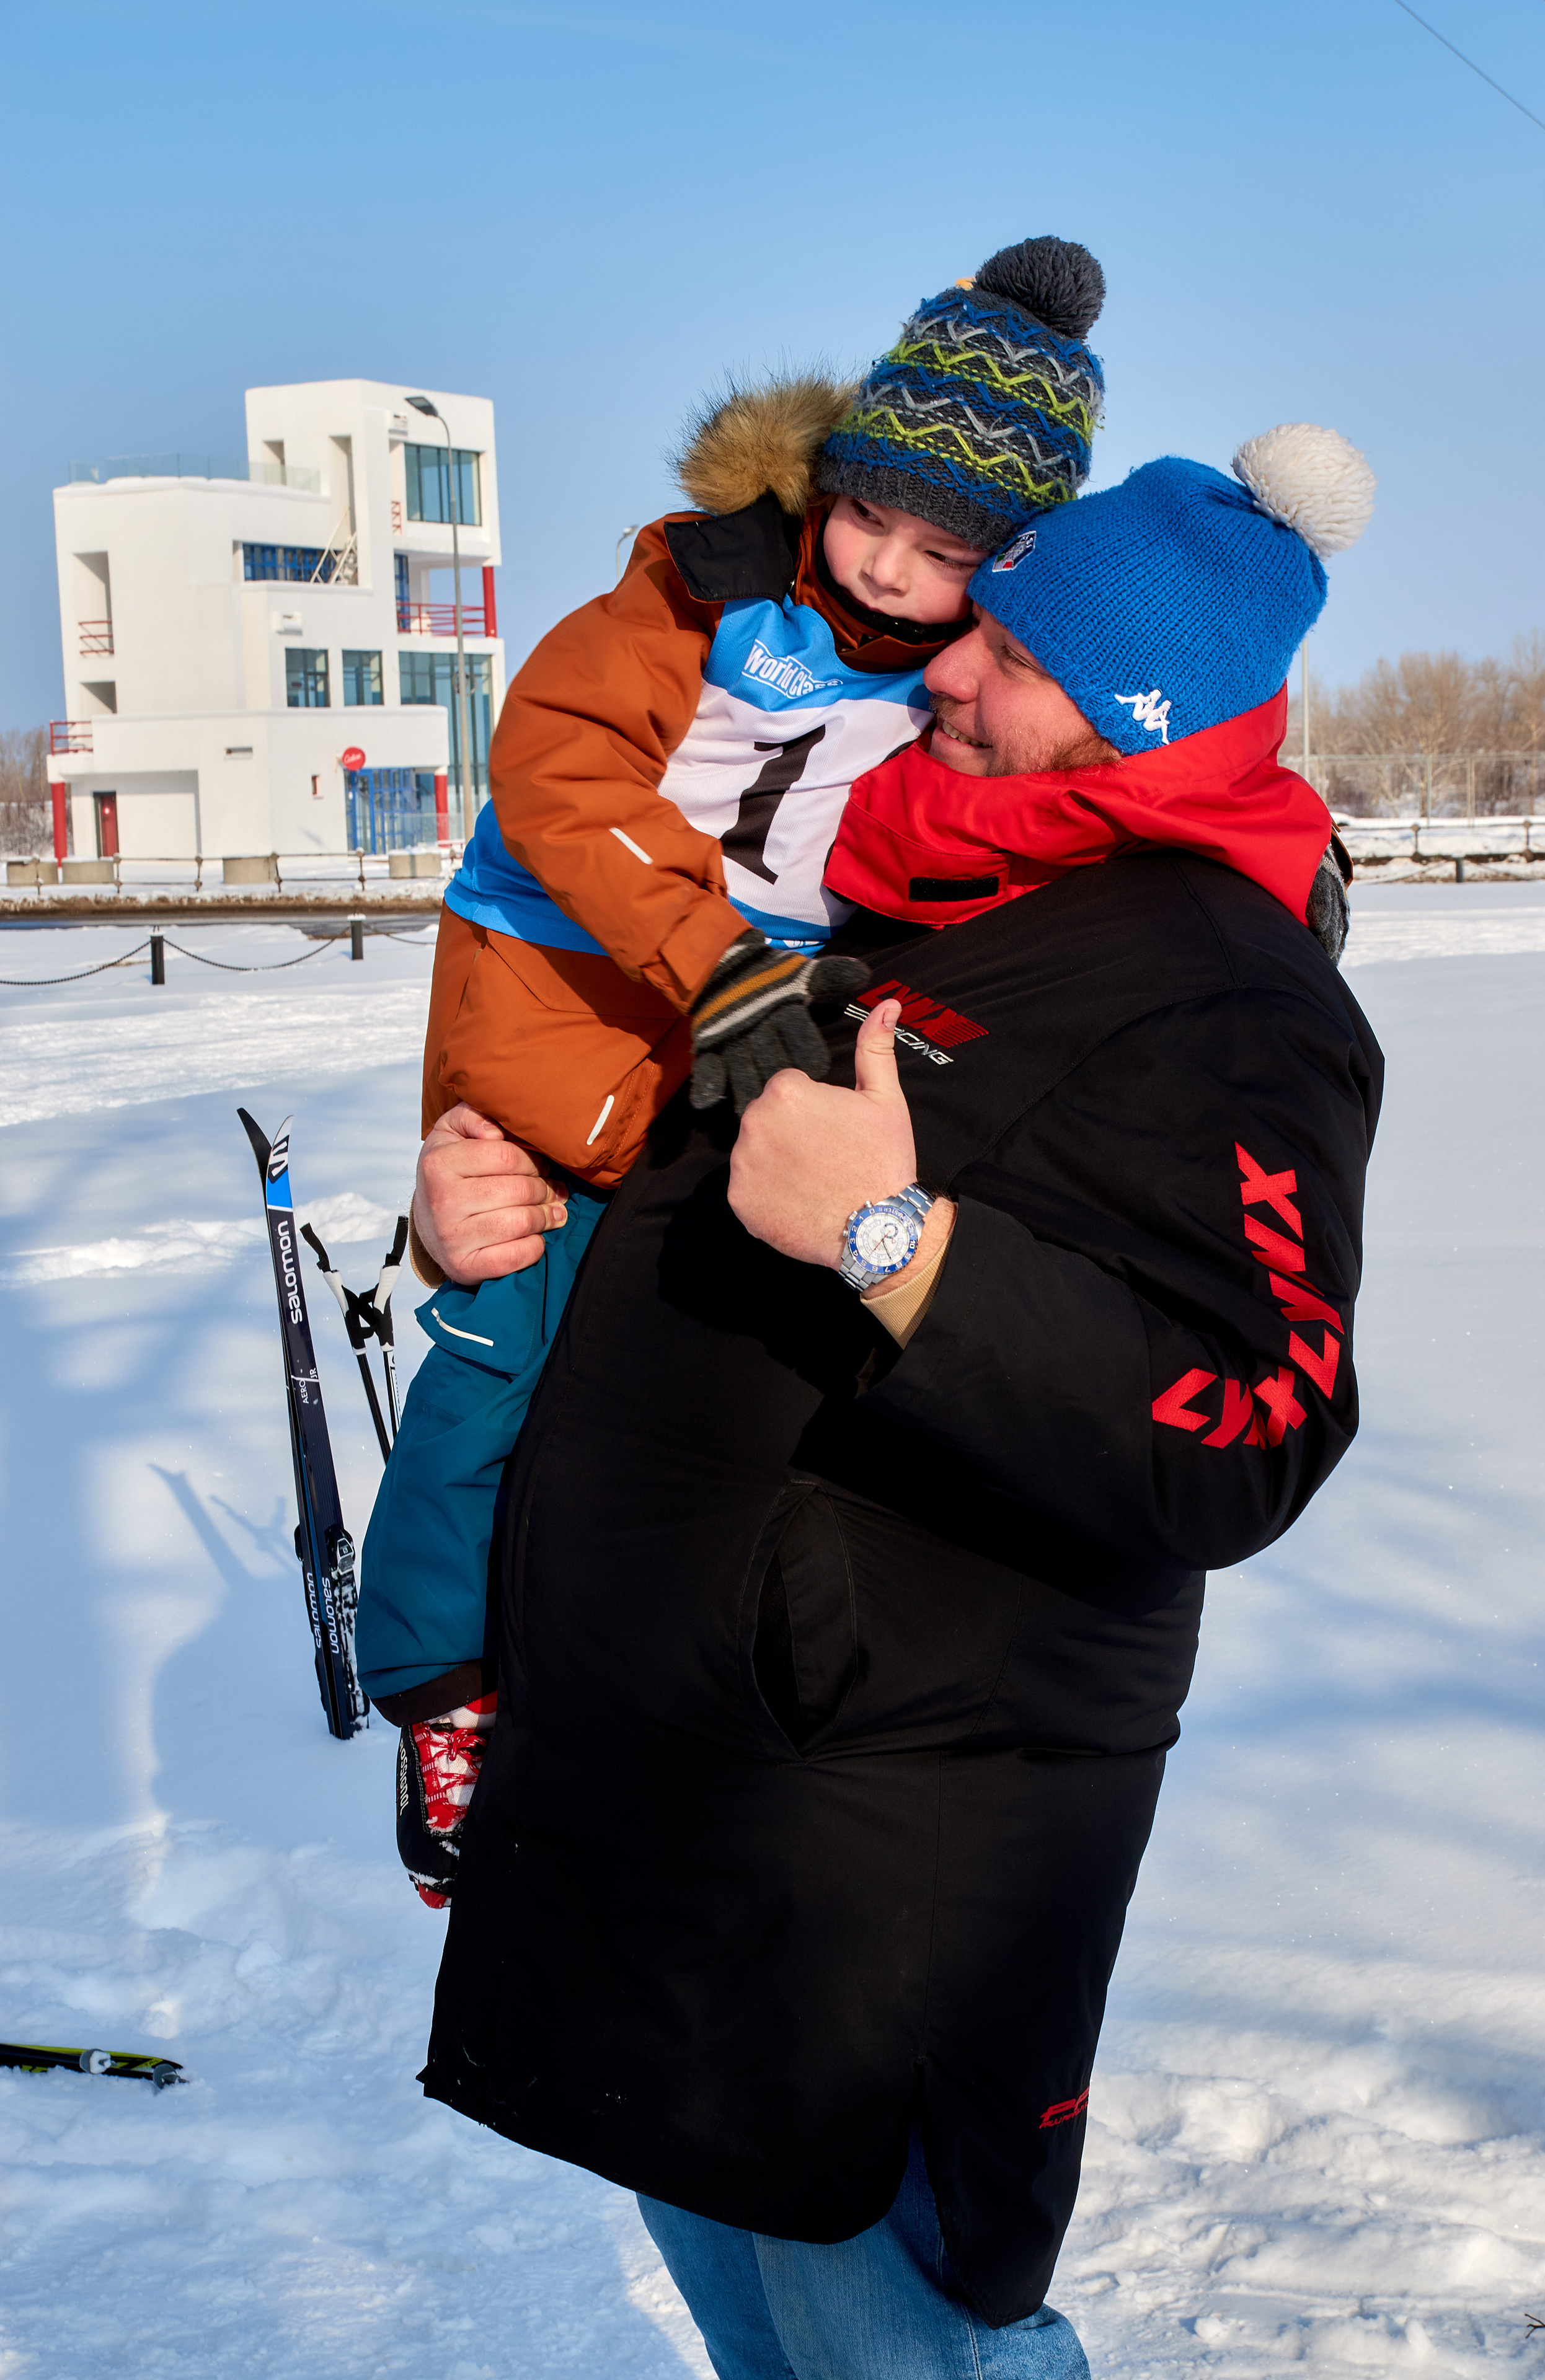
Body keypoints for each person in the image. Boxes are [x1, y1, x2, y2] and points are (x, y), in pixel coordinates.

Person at [412, 423, 1384, 2378]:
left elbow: (1253, 1419)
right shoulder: (910, 900)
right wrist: (477, 1229)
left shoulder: (1227, 996)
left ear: (1135, 722)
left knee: (900, 2330)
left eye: (1007, 655)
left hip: (882, 1832)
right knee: (751, 2299)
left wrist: (894, 1242)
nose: (939, 660)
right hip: (682, 1769)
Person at [354, 237, 1114, 1900]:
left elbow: (1050, 793)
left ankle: (664, 1696)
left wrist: (1251, 854)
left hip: (746, 1016)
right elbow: (554, 772)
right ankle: (436, 1688)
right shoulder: (700, 582)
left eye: (943, 549)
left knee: (693, 1366)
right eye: (869, 519)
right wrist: (719, 967)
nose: (896, 572)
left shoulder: (958, 667)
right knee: (504, 1331)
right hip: (562, 983)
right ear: (829, 476)